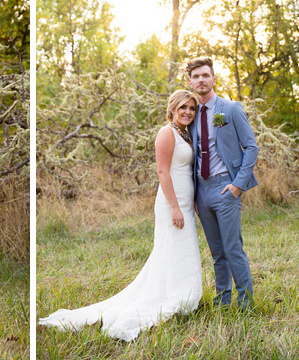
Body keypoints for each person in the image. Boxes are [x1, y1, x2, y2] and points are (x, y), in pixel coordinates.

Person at [39, 90, 203, 341]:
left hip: (184, 199)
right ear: (172, 108)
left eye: (192, 108)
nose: (188, 112)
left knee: (183, 248)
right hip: (171, 201)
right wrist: (174, 207)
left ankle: (182, 293)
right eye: (183, 107)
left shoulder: (186, 133)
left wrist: (191, 201)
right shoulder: (166, 132)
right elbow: (162, 172)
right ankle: (170, 295)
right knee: (171, 248)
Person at [186, 57, 258, 309]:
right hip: (202, 192)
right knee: (217, 252)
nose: (201, 80)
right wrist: (194, 196)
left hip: (226, 187)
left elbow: (251, 147)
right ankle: (222, 301)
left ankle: (246, 303)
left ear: (214, 79)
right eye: (195, 77)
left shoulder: (230, 109)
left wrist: (238, 185)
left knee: (232, 248)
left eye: (205, 75)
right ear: (191, 82)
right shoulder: (191, 115)